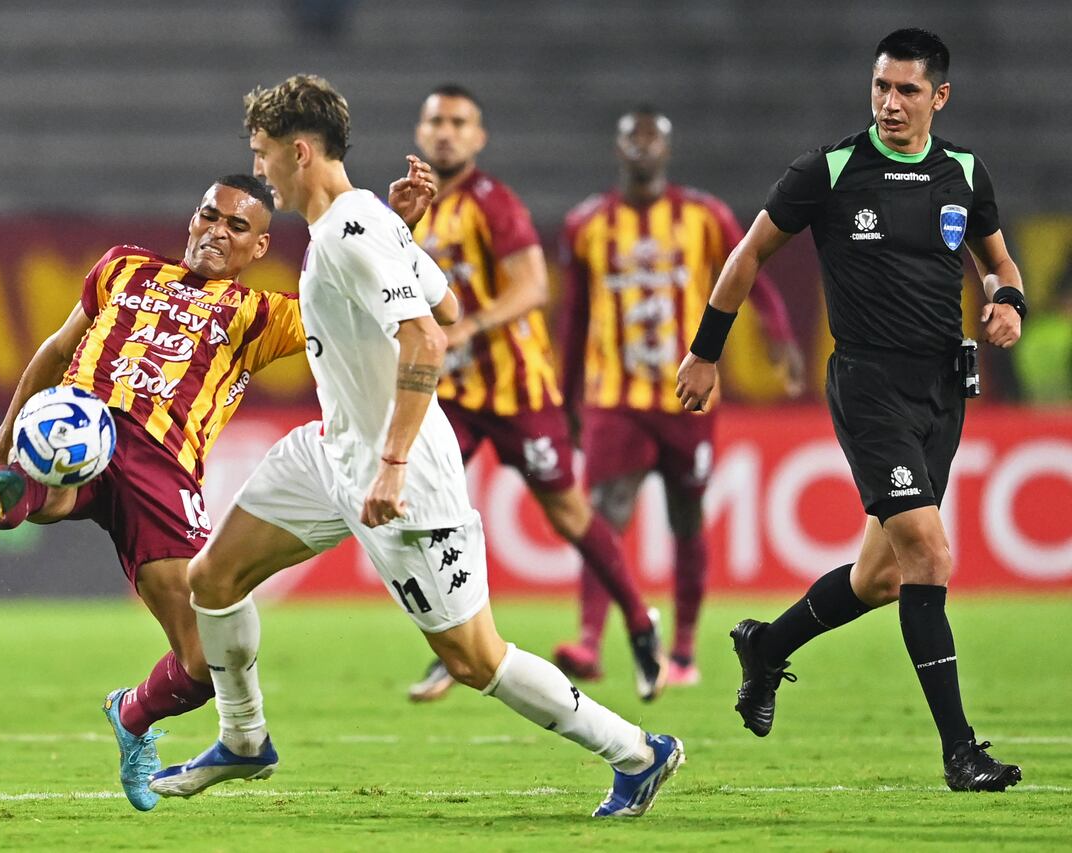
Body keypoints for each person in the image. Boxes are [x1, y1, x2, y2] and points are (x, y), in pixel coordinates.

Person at [148, 74, 685, 818]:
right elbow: (449, 300)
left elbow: (429, 336)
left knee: (473, 658)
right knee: (212, 579)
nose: (260, 168)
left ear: (299, 151)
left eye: (263, 153)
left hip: (399, 473)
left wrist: (395, 463)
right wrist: (406, 233)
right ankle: (244, 739)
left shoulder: (348, 230)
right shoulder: (369, 218)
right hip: (331, 452)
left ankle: (638, 750)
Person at [675, 28, 1025, 792]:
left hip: (943, 389)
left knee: (883, 580)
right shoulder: (831, 170)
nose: (889, 103)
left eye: (906, 90)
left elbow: (998, 263)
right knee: (931, 556)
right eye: (880, 87)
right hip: (868, 388)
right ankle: (960, 752)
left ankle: (767, 645)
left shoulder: (965, 172)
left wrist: (1010, 304)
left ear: (940, 97)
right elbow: (747, 255)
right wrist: (706, 351)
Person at [0, 175, 307, 811]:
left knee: (201, 664)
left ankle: (130, 713)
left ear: (259, 246)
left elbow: (353, 304)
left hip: (162, 470)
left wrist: (400, 234)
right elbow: (56, 350)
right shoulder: (123, 268)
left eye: (236, 226)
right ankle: (7, 495)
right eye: (208, 215)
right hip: (85, 422)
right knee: (51, 478)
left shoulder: (262, 315)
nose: (217, 230)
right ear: (192, 220)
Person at [404, 84, 667, 704]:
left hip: (520, 393)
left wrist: (470, 322)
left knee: (568, 514)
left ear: (478, 137)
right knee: (423, 506)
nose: (446, 131)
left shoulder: (493, 202)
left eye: (459, 122)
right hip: (458, 395)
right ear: (420, 132)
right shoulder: (413, 209)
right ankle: (458, 642)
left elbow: (532, 288)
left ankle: (638, 623)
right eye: (436, 120)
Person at [558, 105, 804, 687]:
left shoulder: (705, 216)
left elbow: (752, 273)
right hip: (614, 400)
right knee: (603, 517)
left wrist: (780, 333)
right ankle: (590, 642)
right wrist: (567, 394)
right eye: (632, 138)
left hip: (687, 398)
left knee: (687, 518)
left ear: (667, 149)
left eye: (653, 137)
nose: (643, 147)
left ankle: (686, 655)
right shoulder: (586, 224)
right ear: (618, 150)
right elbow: (576, 315)